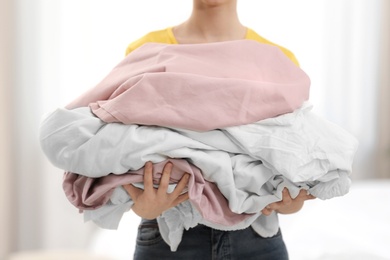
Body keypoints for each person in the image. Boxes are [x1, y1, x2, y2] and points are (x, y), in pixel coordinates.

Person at [121, 1, 315, 259]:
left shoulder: (278, 59)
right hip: (170, 233)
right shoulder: (146, 51)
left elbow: (286, 155)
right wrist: (141, 205)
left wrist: (292, 202)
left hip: (256, 235)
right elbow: (124, 147)